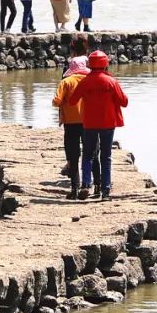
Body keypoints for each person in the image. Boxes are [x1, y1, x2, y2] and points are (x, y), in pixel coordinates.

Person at [72, 50, 129, 201]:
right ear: (105, 64)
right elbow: (124, 102)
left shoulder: (85, 81)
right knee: (106, 156)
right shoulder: (111, 82)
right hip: (108, 123)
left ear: (90, 64)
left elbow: (72, 100)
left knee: (88, 154)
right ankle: (105, 190)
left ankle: (85, 184)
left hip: (90, 123)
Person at [51, 37, 99, 197]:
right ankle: (96, 186)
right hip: (90, 120)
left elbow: (57, 100)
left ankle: (75, 188)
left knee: (73, 154)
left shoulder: (66, 80)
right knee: (91, 153)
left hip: (70, 122)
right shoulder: (92, 77)